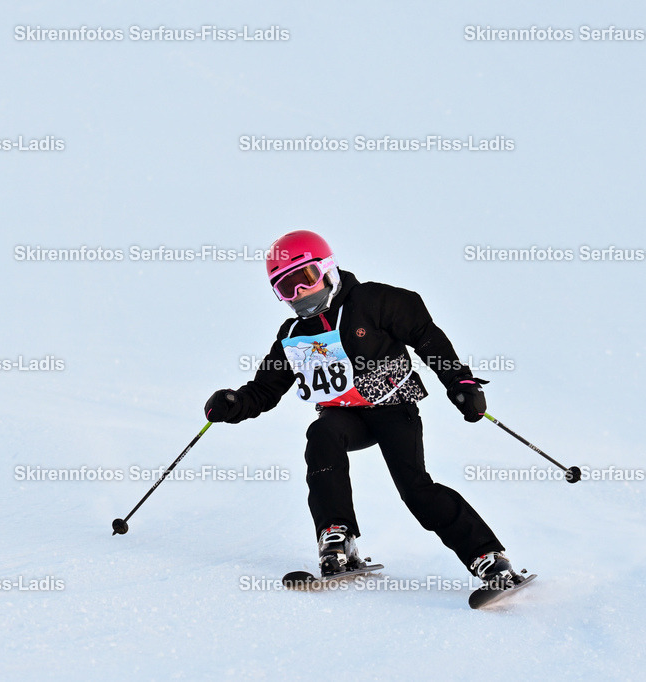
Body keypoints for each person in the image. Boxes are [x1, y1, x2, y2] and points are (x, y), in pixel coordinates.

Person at [204, 230, 519, 586]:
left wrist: (459, 381)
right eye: (284, 287)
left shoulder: (373, 300)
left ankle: (488, 557)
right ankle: (337, 537)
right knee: (322, 433)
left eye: (304, 278)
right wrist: (233, 404)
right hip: (344, 417)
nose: (299, 293)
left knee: (415, 488)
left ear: (327, 269)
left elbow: (425, 335)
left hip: (392, 406)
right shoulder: (293, 334)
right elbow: (265, 389)